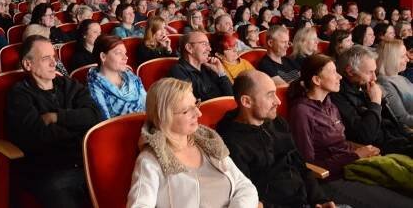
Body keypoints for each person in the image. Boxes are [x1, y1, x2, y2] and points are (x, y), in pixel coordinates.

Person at [287, 55, 413, 208]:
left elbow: (342, 142)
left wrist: (362, 151)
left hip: (352, 167)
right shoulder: (301, 112)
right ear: (317, 80)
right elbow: (308, 164)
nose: (340, 76)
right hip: (330, 179)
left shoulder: (330, 104)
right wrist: (355, 155)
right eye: (333, 72)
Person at [127, 77, 259, 207]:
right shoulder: (150, 160)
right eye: (186, 110)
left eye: (196, 104)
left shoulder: (208, 142)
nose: (199, 113)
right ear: (164, 117)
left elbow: (245, 187)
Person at [216, 70, 336, 208]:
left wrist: (320, 199)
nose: (278, 101)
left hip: (306, 199)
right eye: (270, 95)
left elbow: (300, 166)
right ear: (246, 101)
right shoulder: (230, 142)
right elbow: (249, 197)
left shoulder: (278, 122)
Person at [6, 35, 101, 208]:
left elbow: (94, 116)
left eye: (54, 57)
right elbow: (38, 136)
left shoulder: (69, 84)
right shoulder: (19, 95)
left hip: (84, 160)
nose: (54, 63)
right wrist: (77, 128)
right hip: (48, 168)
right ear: (28, 64)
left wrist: (57, 117)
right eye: (45, 58)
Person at [332, 46, 413, 155]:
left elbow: (393, 122)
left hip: (398, 139)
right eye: (370, 72)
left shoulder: (364, 87)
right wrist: (375, 102)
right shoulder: (337, 96)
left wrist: (408, 135)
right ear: (350, 71)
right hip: (380, 150)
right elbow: (364, 137)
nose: (374, 78)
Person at [86, 35, 146, 119]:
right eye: (118, 53)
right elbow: (106, 123)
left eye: (125, 53)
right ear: (103, 57)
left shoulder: (131, 76)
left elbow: (147, 104)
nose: (125, 57)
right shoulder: (94, 87)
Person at [168, 31, 233, 101]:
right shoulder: (178, 71)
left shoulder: (209, 67)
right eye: (204, 44)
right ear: (189, 48)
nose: (209, 49)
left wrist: (221, 73)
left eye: (209, 45)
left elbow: (231, 96)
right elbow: (194, 102)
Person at [377, 39, 413, 128]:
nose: (407, 59)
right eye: (403, 56)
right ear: (391, 58)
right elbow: (402, 119)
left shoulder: (402, 78)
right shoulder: (384, 83)